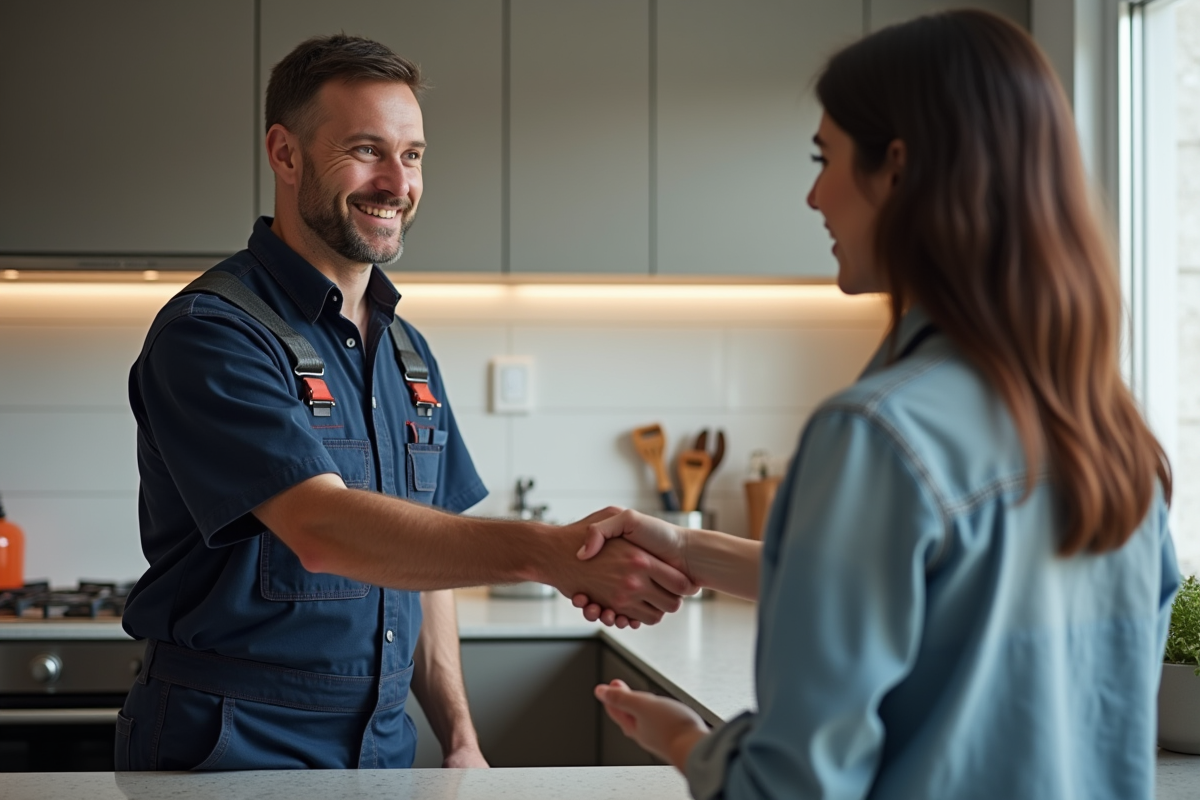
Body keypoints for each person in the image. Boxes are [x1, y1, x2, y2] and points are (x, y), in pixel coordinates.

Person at [576, 10, 1180, 799]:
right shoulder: (1113, 435)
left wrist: (686, 741)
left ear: (897, 169)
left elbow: (790, 786)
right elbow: (949, 602)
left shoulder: (878, 432)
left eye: (824, 158)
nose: (813, 195)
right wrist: (688, 549)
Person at [118, 34, 692, 772]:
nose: (397, 182)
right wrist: (549, 553)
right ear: (285, 154)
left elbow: (428, 558)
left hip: (385, 744)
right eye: (366, 150)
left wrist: (460, 737)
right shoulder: (214, 333)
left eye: (412, 155)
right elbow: (321, 527)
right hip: (233, 741)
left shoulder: (406, 352)